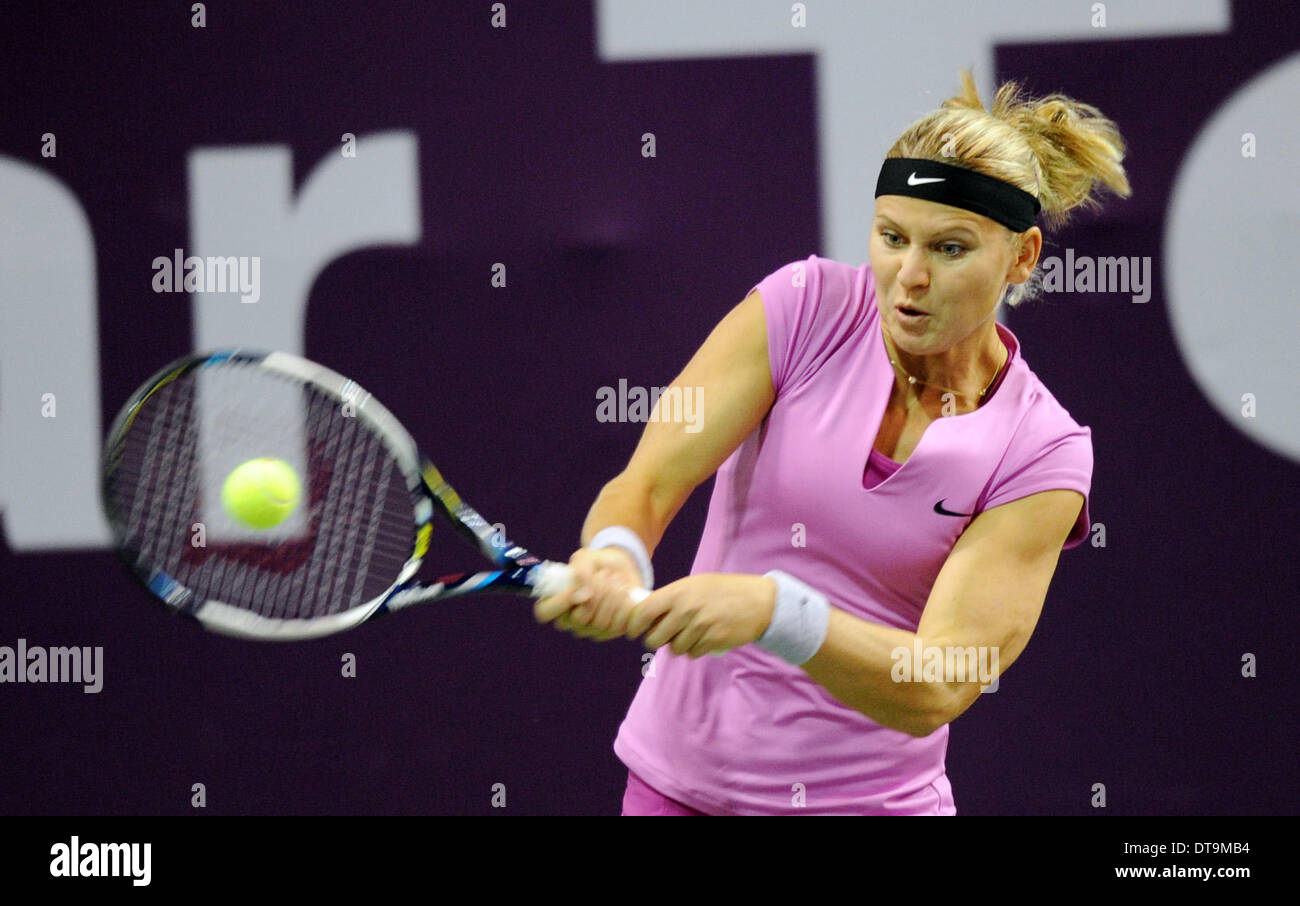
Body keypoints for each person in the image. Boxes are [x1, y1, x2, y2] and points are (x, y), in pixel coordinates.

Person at [535, 70, 1131, 815]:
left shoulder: (1042, 452)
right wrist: (616, 552)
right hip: (674, 789)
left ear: (1022, 256)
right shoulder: (803, 306)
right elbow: (649, 484)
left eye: (948, 248)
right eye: (891, 237)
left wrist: (776, 612)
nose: (908, 278)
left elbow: (941, 682)